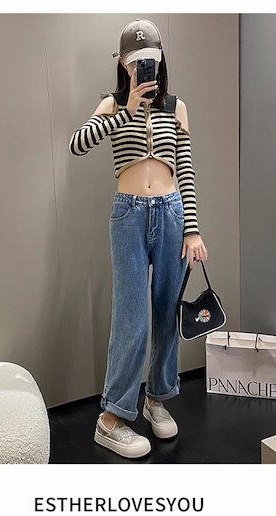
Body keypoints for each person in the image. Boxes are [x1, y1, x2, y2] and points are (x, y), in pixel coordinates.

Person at [68, 19, 208, 459]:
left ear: (160, 60)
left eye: (149, 60)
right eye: (135, 63)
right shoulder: (111, 104)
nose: (143, 68)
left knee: (166, 313)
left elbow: (185, 170)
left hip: (171, 213)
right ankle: (110, 419)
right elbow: (77, 144)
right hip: (128, 215)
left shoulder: (177, 107)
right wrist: (126, 109)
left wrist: (193, 228)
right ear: (124, 65)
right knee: (132, 318)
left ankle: (157, 399)